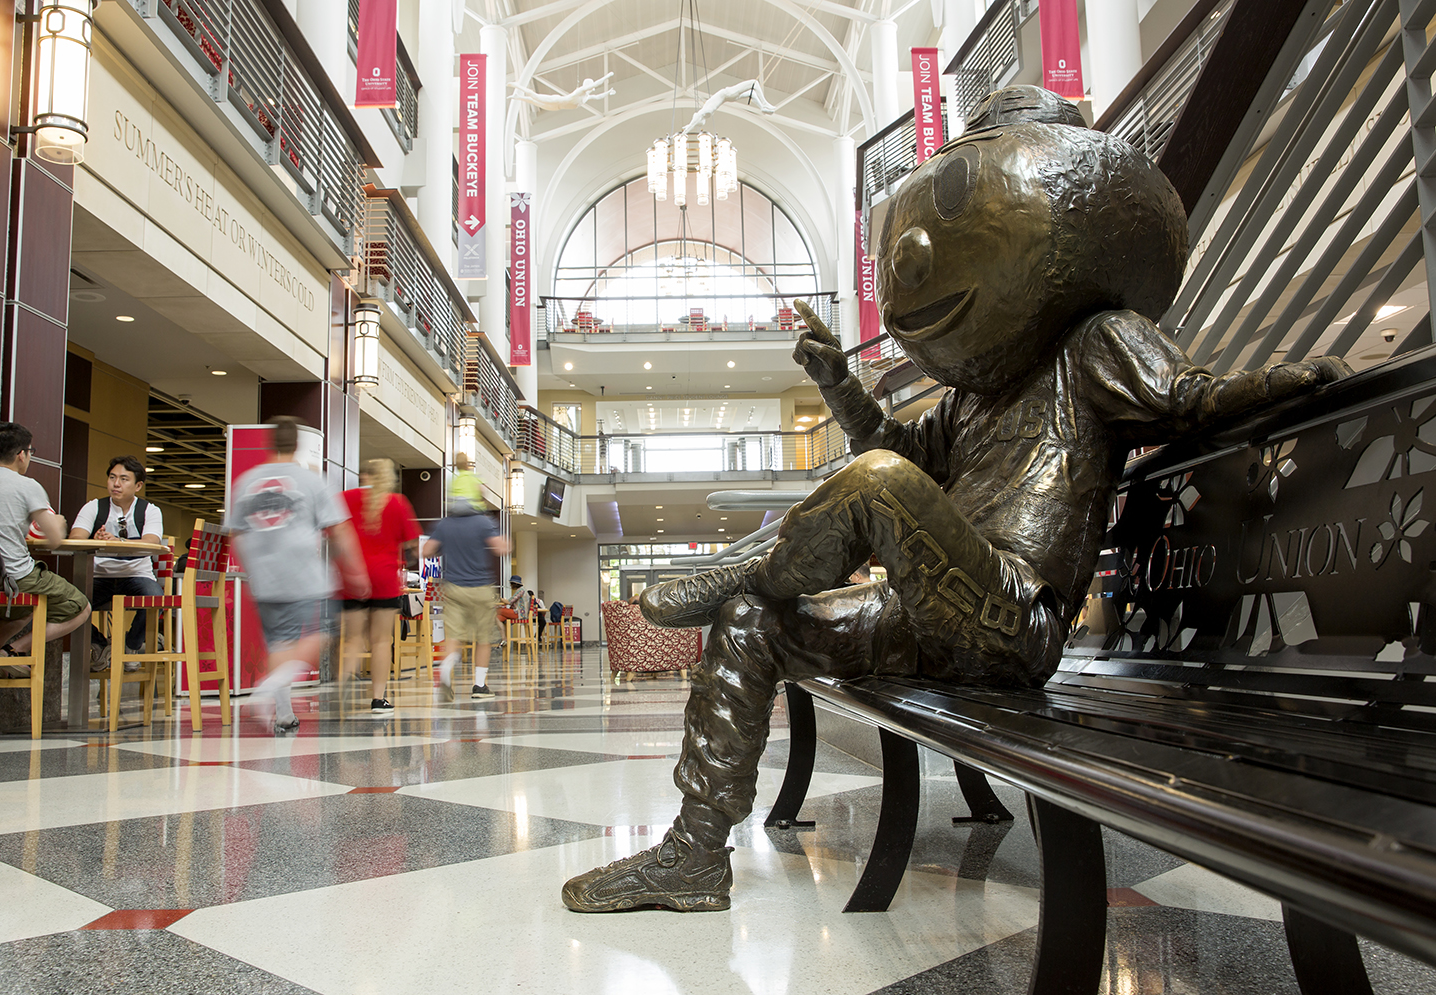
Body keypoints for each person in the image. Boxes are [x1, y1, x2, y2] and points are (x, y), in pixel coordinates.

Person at [561, 85, 1353, 914]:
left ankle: (742, 566)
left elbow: (1187, 399)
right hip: (932, 613)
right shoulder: (973, 398)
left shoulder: (1095, 342)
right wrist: (838, 382)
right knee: (754, 619)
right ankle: (693, 854)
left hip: (1013, 620)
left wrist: (1285, 385)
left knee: (875, 487)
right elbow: (896, 449)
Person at [228, 416, 369, 734]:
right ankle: (270, 685)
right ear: (296, 445)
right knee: (323, 632)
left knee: (280, 642)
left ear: (269, 443)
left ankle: (283, 713)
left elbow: (236, 534)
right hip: (305, 577)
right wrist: (355, 570)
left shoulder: (245, 482)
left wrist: (252, 569)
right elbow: (339, 529)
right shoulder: (311, 480)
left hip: (265, 580)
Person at [0, 422, 90, 675]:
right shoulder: (27, 485)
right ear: (21, 455)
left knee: (24, 609)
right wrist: (59, 522)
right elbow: (55, 539)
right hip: (11, 577)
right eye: (30, 451)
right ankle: (12, 651)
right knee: (80, 606)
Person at [339, 458, 421, 713]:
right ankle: (378, 698)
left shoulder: (345, 498)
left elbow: (333, 533)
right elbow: (413, 543)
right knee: (382, 641)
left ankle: (344, 682)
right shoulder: (398, 503)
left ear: (363, 475)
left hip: (352, 577)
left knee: (353, 639)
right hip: (385, 578)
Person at [68, 457, 164, 673]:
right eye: (112, 478)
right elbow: (75, 538)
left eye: (124, 479)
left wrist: (118, 541)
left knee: (156, 597)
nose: (116, 484)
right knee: (68, 603)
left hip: (137, 575)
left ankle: (131, 646)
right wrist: (95, 539)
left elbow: (151, 542)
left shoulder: (149, 510)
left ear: (138, 485)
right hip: (99, 576)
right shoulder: (94, 507)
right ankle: (101, 645)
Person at [424, 510, 509, 701]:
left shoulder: (445, 523)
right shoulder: (483, 522)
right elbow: (501, 547)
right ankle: (479, 685)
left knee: (453, 636)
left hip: (453, 588)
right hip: (480, 588)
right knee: (483, 638)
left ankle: (446, 668)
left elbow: (426, 550)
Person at [681, 79, 775, 135]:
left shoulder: (707, 111)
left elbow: (693, 122)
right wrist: (686, 131)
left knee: (752, 94)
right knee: (754, 82)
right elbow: (694, 121)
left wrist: (687, 127)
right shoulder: (705, 111)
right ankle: (764, 103)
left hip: (729, 97)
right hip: (728, 93)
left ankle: (762, 107)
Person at [510, 72, 614, 111]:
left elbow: (597, 97)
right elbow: (596, 84)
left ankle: (518, 97)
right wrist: (608, 76)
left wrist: (608, 92)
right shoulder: (581, 91)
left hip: (558, 107)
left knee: (537, 103)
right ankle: (517, 86)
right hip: (557, 100)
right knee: (536, 97)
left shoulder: (587, 96)